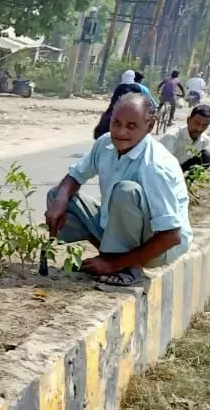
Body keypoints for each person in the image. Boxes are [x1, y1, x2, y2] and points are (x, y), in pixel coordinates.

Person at [46, 93, 190, 287]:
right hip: (119, 230)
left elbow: (171, 236)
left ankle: (127, 266)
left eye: (131, 126)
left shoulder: (155, 165)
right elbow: (75, 177)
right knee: (57, 194)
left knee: (126, 192)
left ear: (149, 126)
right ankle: (112, 256)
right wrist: (61, 201)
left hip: (160, 246)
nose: (121, 132)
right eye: (117, 123)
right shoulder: (105, 143)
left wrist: (112, 264)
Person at [160, 103, 210, 171]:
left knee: (207, 156)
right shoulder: (171, 137)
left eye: (204, 125)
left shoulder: (204, 140)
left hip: (181, 171)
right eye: (196, 123)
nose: (199, 129)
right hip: (164, 170)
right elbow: (161, 164)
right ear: (188, 120)